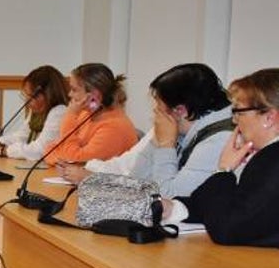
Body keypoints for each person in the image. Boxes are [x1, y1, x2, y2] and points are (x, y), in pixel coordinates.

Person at [58, 63, 232, 197]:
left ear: (180, 111)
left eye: (158, 105)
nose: (155, 112)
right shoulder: (180, 127)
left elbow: (168, 196)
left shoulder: (219, 140)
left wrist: (165, 146)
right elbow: (137, 178)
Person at [162, 68, 279, 247]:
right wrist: (173, 208)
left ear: (269, 118)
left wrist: (224, 170)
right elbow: (213, 204)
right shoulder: (263, 153)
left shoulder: (272, 160)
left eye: (239, 112)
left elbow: (227, 229)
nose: (234, 121)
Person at [44, 63, 138, 166]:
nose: (69, 94)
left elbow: (74, 160)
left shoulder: (115, 127)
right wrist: (67, 158)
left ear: (94, 95)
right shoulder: (86, 114)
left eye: (74, 89)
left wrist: (70, 115)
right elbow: (49, 151)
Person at [0, 65, 68, 160]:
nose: (27, 101)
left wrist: (4, 150)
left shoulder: (59, 112)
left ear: (47, 95)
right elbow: (22, 136)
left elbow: (40, 150)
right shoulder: (37, 112)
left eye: (30, 96)